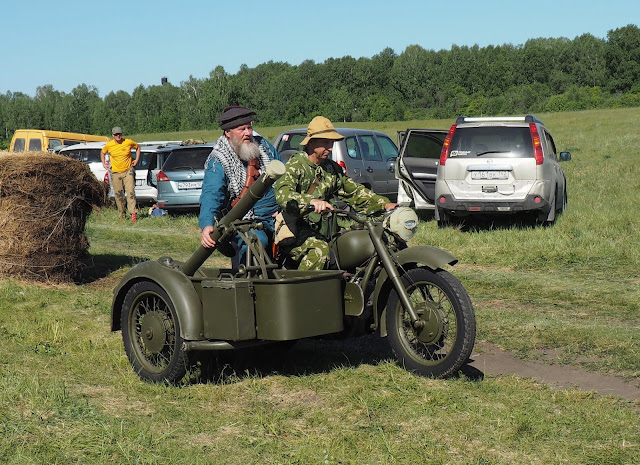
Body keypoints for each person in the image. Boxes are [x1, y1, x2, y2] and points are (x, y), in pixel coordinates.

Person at [274, 116, 398, 270]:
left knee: (359, 244)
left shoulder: (331, 168)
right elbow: (283, 194)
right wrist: (311, 202)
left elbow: (354, 192)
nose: (331, 147)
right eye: (326, 142)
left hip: (327, 232)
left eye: (331, 143)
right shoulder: (295, 166)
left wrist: (384, 204)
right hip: (297, 233)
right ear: (311, 142)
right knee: (320, 251)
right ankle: (306, 292)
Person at [199, 106, 282, 268]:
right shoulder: (218, 160)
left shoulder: (264, 147)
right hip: (244, 221)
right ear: (228, 133)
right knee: (256, 242)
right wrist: (207, 223)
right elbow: (211, 194)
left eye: (249, 127)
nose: (248, 133)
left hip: (277, 214)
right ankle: (248, 284)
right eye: (241, 129)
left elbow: (285, 179)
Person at [101, 126, 140, 222]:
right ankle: (122, 214)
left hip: (128, 170)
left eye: (119, 134)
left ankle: (133, 213)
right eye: (116, 134)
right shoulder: (109, 145)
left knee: (130, 191)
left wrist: (136, 160)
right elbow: (102, 152)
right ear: (113, 135)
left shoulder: (128, 142)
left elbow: (138, 147)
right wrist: (104, 164)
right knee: (119, 194)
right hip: (115, 173)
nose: (118, 136)